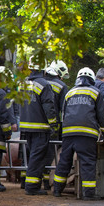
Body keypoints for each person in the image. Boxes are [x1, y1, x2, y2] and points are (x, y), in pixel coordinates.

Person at [52, 67, 104, 201]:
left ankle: (57, 190)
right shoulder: (96, 92)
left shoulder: (70, 93)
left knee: (64, 161)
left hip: (68, 133)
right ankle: (88, 194)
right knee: (87, 162)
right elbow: (101, 114)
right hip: (86, 134)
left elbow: (63, 113)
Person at [19, 58, 58, 195]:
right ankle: (32, 187)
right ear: (44, 69)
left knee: (31, 156)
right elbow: (48, 106)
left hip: (26, 126)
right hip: (40, 127)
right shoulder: (44, 84)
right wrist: (54, 124)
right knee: (37, 157)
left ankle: (30, 185)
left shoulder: (23, 84)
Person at [42, 60, 69, 189]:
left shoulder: (38, 83)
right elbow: (64, 109)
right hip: (53, 127)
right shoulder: (62, 86)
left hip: (35, 124)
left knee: (34, 153)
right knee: (50, 154)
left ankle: (26, 181)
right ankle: (47, 183)